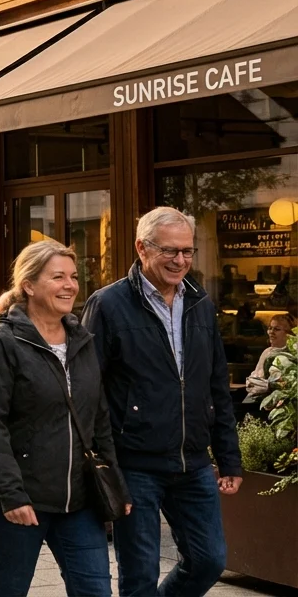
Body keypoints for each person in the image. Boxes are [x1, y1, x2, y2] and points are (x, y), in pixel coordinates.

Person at [82, 206, 242, 596]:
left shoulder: (200, 302)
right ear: (142, 248)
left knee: (209, 561)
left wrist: (229, 455)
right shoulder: (108, 304)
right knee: (139, 574)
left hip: (193, 463)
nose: (181, 260)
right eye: (170, 251)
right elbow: (88, 389)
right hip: (135, 463)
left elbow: (216, 384)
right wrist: (99, 462)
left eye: (187, 251)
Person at [0, 240, 129, 596]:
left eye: (73, 277)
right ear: (29, 285)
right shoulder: (3, 341)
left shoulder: (82, 339)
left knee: (95, 592)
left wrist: (114, 481)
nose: (70, 285)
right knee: (9, 590)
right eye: (57, 276)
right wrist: (12, 496)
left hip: (80, 501)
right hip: (22, 499)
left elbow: (99, 418)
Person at [243, 312, 295, 407]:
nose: (271, 332)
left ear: (288, 333)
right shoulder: (267, 352)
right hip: (256, 401)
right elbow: (255, 376)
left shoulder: (292, 355)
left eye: (277, 329)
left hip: (280, 405)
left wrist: (269, 386)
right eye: (270, 328)